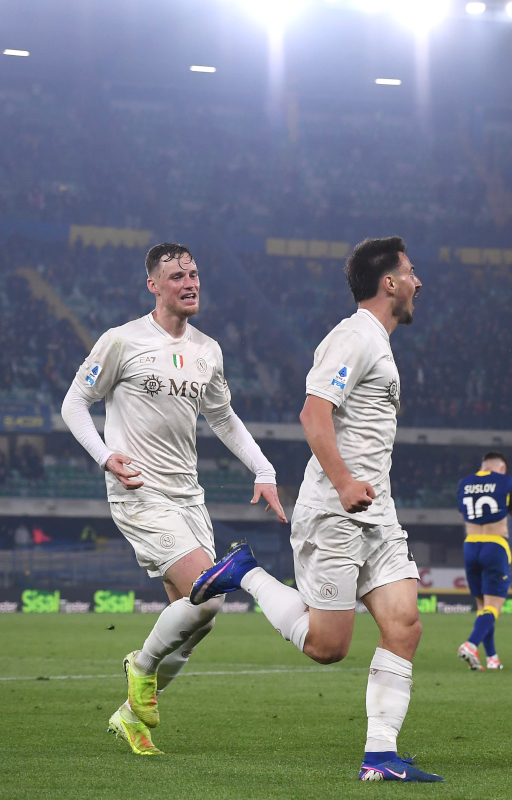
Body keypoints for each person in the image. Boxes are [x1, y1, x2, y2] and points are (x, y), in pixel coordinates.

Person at [191, 237, 443, 782]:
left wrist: (364, 487)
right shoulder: (354, 337)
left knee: (405, 624)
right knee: (328, 647)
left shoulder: (376, 341)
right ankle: (247, 573)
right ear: (390, 283)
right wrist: (346, 480)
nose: (419, 282)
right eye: (411, 272)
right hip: (335, 509)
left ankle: (380, 758)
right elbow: (313, 413)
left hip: (376, 511)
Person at [60, 242, 286, 756]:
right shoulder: (122, 341)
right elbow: (75, 402)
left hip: (190, 497)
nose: (190, 282)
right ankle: (139, 668)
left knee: (202, 616)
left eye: (195, 273)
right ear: (153, 286)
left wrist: (264, 468)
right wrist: (104, 456)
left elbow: (224, 419)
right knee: (205, 589)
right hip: (139, 489)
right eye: (178, 275)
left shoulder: (209, 350)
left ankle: (130, 713)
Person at [455, 451, 512, 671]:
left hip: (470, 543)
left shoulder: (464, 483)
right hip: (495, 545)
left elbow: (463, 514)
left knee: (483, 606)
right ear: (501, 467)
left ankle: (492, 658)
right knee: (495, 606)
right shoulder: (506, 480)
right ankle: (471, 644)